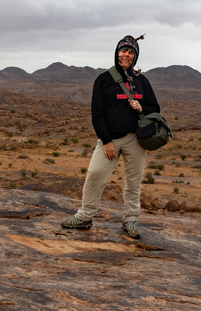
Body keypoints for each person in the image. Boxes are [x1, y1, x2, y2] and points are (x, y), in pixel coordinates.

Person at [61, 35, 160, 238]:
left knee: (134, 181)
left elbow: (155, 108)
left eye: (131, 52)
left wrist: (142, 107)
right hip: (110, 139)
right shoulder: (104, 79)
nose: (126, 55)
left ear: (136, 56)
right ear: (116, 53)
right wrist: (106, 140)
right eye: (123, 51)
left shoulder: (141, 81)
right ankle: (85, 216)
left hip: (135, 139)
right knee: (95, 175)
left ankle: (130, 220)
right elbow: (97, 113)